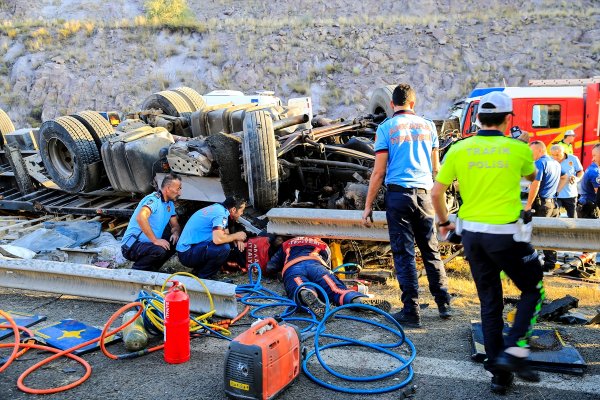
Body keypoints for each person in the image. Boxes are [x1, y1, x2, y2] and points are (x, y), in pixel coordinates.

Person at [431, 91, 544, 395]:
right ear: (509, 120)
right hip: (506, 236)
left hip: (472, 238)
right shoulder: (518, 149)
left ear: (478, 118)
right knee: (534, 289)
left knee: (490, 302)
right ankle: (516, 350)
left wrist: (444, 222)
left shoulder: (459, 148)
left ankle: (499, 375)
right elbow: (533, 175)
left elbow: (435, 193)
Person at [362, 83, 451, 328]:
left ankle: (411, 311)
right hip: (424, 195)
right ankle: (444, 304)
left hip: (398, 197)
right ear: (414, 102)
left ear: (392, 105)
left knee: (404, 254)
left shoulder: (386, 127)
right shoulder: (429, 126)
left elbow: (379, 172)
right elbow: (436, 169)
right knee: (431, 250)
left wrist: (368, 206)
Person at [266, 236, 391, 317]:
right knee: (337, 290)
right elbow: (327, 263)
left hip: (293, 268)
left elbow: (270, 267)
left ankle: (307, 294)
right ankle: (358, 300)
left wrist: (279, 273)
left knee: (300, 287)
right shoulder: (322, 244)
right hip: (316, 266)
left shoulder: (287, 244)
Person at [121, 173, 182, 271]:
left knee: (174, 242)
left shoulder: (169, 204)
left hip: (147, 245)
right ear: (167, 189)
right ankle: (137, 271)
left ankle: (152, 269)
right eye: (178, 189)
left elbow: (175, 225)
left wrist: (175, 233)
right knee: (159, 250)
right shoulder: (154, 200)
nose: (179, 193)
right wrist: (155, 240)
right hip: (132, 245)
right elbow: (141, 218)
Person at [176, 196, 248, 279]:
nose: (242, 213)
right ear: (234, 210)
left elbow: (226, 234)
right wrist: (236, 235)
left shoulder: (219, 208)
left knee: (226, 244)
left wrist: (236, 238)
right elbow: (218, 239)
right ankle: (204, 277)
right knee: (223, 248)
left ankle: (199, 271)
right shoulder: (220, 214)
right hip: (187, 253)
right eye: (241, 210)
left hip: (189, 250)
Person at [525, 141, 567, 271]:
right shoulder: (555, 163)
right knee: (549, 234)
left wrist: (528, 205)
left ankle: (531, 264)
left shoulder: (540, 163)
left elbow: (535, 185)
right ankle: (550, 264)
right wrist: (557, 192)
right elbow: (565, 177)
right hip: (553, 204)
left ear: (539, 151)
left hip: (542, 204)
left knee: (534, 233)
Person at [549, 144, 583, 218]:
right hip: (555, 194)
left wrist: (576, 178)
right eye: (553, 155)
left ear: (563, 152)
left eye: (557, 155)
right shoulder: (549, 160)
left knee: (573, 217)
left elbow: (580, 171)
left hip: (570, 194)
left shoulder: (573, 159)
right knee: (553, 217)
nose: (555, 157)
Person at [577, 144, 600, 219]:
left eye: (594, 155)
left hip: (584, 204)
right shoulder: (596, 172)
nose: (592, 159)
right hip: (588, 208)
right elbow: (599, 193)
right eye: (593, 155)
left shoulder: (593, 168)